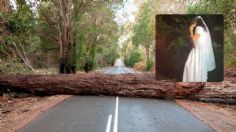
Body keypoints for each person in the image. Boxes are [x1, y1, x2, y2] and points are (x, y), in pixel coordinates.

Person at [182, 16, 215, 82]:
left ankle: (191, 81)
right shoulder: (203, 29)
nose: (192, 24)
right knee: (197, 66)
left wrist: (191, 29)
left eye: (193, 23)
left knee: (191, 65)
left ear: (196, 22)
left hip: (198, 50)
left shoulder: (198, 28)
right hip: (201, 50)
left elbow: (193, 41)